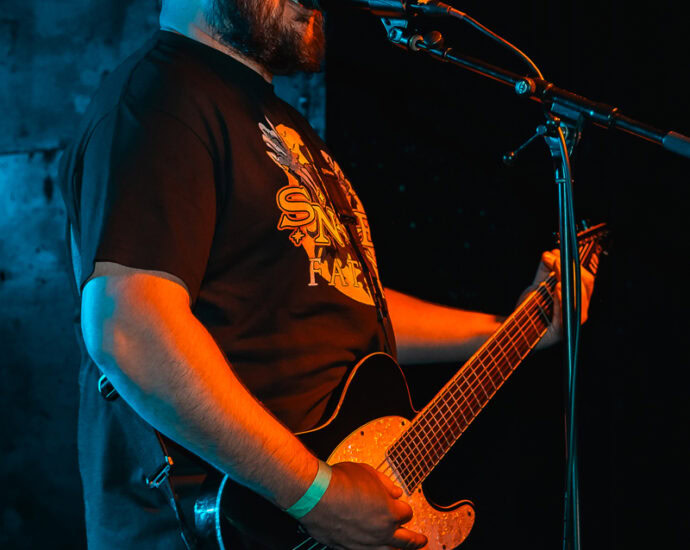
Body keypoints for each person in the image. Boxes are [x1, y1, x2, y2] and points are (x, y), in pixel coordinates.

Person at [57, 1, 594, 548]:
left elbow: (347, 302)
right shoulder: (161, 98)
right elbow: (129, 329)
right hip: (214, 528)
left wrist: (513, 330)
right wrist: (315, 495)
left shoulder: (276, 121)